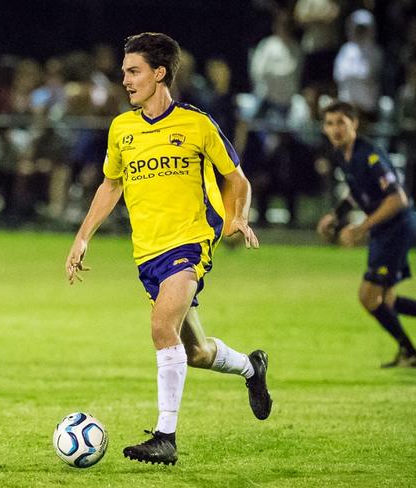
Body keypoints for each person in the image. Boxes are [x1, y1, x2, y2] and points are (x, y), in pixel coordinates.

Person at [64, 32, 272, 466]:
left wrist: (238, 216)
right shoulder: (122, 130)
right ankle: (252, 368)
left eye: (133, 71)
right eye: (124, 72)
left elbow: (237, 179)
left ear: (159, 74)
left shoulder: (197, 124)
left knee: (161, 327)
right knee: (194, 352)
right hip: (148, 255)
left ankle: (165, 438)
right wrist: (83, 236)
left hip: (189, 243)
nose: (125, 80)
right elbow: (111, 184)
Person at [317, 101, 416, 368]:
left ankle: (409, 351)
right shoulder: (342, 155)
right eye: (329, 123)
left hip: (396, 228)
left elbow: (398, 199)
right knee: (388, 301)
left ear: (354, 124)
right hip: (384, 231)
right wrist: (336, 214)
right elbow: (357, 191)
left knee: (369, 297)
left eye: (341, 122)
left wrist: (361, 228)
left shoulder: (370, 154)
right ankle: (409, 352)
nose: (335, 129)